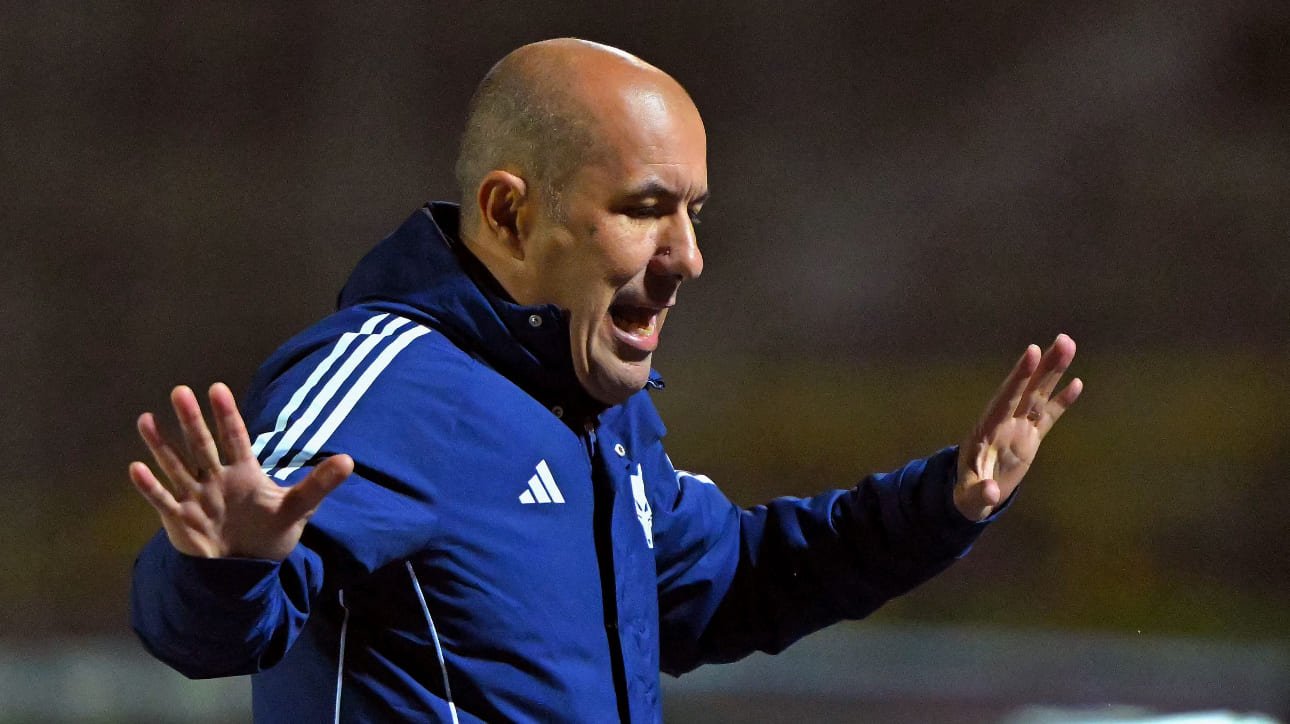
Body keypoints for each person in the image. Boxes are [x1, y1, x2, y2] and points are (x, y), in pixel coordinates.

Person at [128, 38, 1082, 723]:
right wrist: (226, 567)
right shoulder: (385, 385)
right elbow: (203, 636)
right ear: (510, 214)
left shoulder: (600, 417)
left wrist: (945, 504)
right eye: (646, 210)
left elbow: (731, 583)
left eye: (695, 213)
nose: (691, 256)